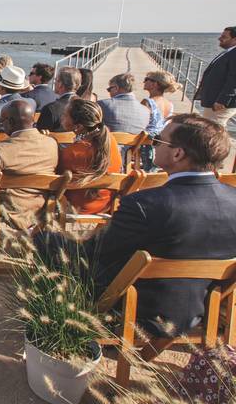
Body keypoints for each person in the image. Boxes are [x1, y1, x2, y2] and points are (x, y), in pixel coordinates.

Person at [36, 114, 236, 339]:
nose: (154, 144)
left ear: (178, 153)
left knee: (46, 244)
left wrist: (45, 239)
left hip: (137, 314)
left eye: (159, 140)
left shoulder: (145, 204)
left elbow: (94, 255)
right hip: (202, 315)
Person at [0, 99, 59, 230]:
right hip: (39, 211)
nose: (1, 125)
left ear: (11, 122)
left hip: (7, 213)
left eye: (1, 121)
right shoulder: (52, 144)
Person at [55, 98, 122, 215]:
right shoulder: (111, 141)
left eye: (65, 115)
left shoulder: (72, 153)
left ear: (79, 127)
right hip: (105, 205)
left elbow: (56, 178)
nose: (62, 117)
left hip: (77, 208)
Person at [194, 26, 236, 127]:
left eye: (224, 36)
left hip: (221, 103)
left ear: (234, 39)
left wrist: (222, 100)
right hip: (214, 100)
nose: (219, 38)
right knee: (210, 128)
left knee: (212, 129)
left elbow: (234, 79)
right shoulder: (229, 52)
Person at [140, 70, 180, 170]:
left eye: (146, 80)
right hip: (160, 143)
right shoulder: (169, 104)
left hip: (146, 142)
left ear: (155, 84)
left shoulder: (147, 102)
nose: (144, 82)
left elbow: (139, 124)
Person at [35, 67, 81, 132]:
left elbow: (39, 136)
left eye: (55, 80)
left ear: (60, 84)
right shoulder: (84, 107)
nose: (54, 83)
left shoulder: (50, 109)